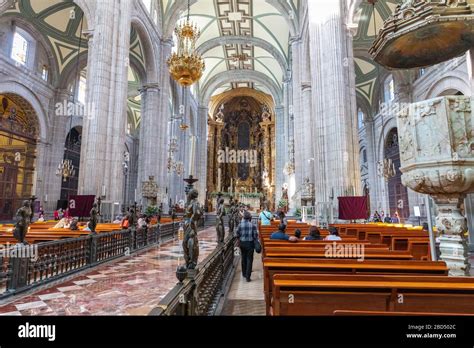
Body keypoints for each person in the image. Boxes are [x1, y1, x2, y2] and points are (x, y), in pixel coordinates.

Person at [236, 211, 259, 282]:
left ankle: (244, 273)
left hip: (242, 243)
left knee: (243, 258)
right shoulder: (253, 225)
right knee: (249, 259)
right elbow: (255, 236)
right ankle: (248, 277)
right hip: (250, 243)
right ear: (249, 218)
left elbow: (237, 234)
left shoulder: (240, 225)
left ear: (243, 217)